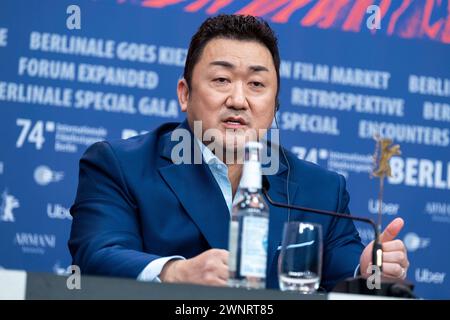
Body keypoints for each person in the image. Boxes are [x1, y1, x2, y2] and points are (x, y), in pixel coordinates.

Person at [68, 14, 409, 291]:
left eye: (257, 85)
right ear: (185, 94)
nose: (238, 100)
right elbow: (97, 255)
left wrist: (369, 268)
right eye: (221, 80)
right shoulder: (120, 165)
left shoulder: (322, 189)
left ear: (274, 105)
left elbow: (345, 270)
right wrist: (176, 273)